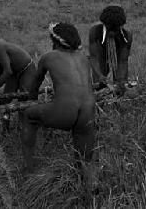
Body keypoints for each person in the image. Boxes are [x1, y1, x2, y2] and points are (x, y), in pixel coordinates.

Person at [22, 23, 95, 194]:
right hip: (89, 111)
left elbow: (34, 87)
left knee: (28, 115)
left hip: (64, 111)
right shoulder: (83, 58)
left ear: (55, 40)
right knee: (85, 155)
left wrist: (31, 102)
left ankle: (28, 169)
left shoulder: (48, 57)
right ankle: (88, 185)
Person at [89, 6, 132, 95]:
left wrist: (121, 79)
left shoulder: (127, 36)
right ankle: (100, 104)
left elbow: (123, 61)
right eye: (109, 28)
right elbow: (94, 57)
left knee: (121, 85)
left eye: (115, 29)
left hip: (119, 52)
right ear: (104, 24)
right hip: (101, 53)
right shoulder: (95, 32)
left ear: (121, 25)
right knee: (100, 85)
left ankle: (119, 104)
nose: (112, 32)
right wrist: (100, 75)